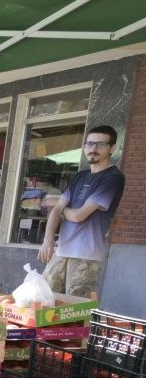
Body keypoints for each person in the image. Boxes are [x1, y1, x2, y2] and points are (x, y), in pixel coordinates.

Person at [38, 125, 126, 297]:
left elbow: (78, 216)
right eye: (89, 144)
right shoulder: (80, 176)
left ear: (112, 148)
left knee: (77, 310)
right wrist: (48, 240)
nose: (93, 149)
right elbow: (56, 208)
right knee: (44, 302)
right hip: (61, 251)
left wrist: (62, 210)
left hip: (88, 257)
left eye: (100, 144)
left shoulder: (113, 177)